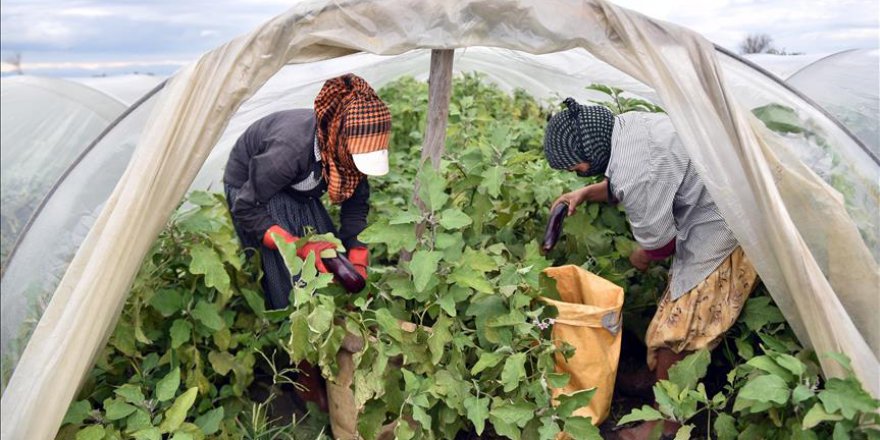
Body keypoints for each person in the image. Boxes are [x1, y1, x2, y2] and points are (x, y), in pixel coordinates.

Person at [543, 98, 759, 439]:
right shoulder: (628, 127)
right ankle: (658, 379)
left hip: (727, 226)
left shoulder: (635, 173)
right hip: (725, 194)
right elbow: (629, 178)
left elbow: (660, 244)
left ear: (591, 153)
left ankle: (666, 422)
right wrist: (583, 193)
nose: (576, 172)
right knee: (677, 317)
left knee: (679, 329)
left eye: (576, 167)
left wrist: (639, 256)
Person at [223, 73, 391, 411]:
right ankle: (303, 377)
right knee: (287, 278)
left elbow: (356, 205)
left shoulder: (346, 153)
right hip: (253, 193)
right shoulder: (290, 150)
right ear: (338, 140)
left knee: (327, 253)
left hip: (295, 187)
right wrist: (295, 246)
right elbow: (247, 207)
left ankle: (325, 339)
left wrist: (357, 254)